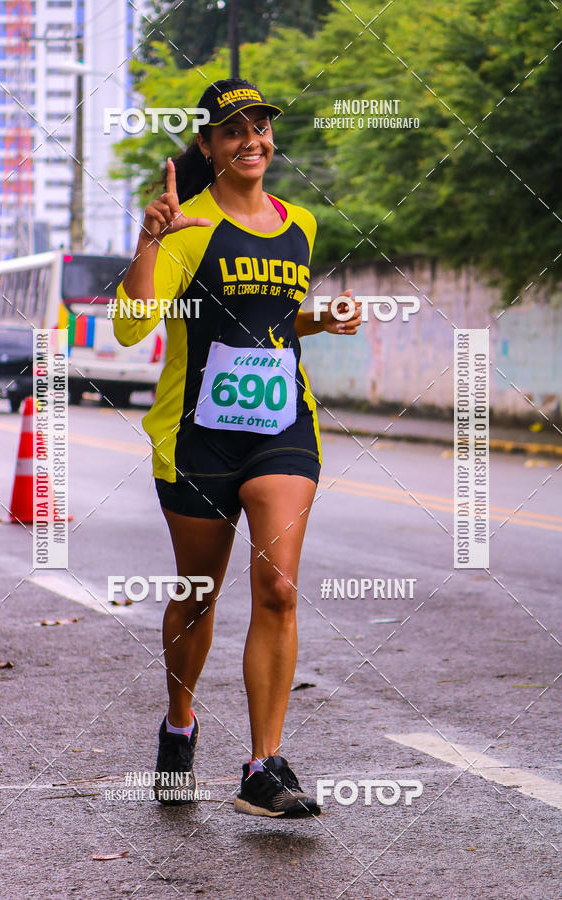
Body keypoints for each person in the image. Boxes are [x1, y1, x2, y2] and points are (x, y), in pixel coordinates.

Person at [114, 78, 361, 818]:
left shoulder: (301, 224)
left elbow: (272, 320)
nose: (252, 140)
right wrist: (150, 241)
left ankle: (263, 766)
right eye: (233, 130)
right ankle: (179, 726)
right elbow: (131, 326)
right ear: (208, 144)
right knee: (198, 596)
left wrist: (320, 319)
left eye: (260, 127)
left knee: (279, 587)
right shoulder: (187, 226)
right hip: (198, 436)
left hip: (283, 427)